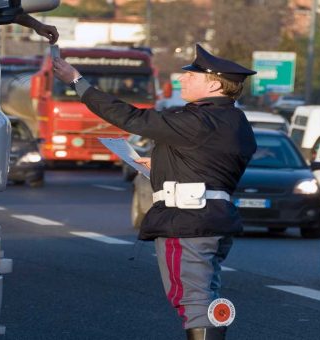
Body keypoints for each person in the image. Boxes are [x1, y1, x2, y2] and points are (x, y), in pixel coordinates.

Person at [52, 44, 257, 340]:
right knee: (204, 300)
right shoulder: (234, 122)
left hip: (186, 223)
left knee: (195, 304)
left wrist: (77, 82)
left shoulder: (199, 120)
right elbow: (209, 165)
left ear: (213, 84)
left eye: (192, 75)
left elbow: (131, 118)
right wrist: (161, 163)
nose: (182, 79)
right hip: (212, 221)